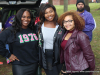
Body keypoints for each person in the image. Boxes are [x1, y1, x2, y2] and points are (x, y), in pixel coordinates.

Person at [0, 8, 39, 75]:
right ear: (18, 17)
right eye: (23, 17)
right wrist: (8, 55)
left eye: (28, 17)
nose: (26, 19)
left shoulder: (33, 29)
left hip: (33, 63)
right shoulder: (11, 31)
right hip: (19, 65)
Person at [58, 10, 95, 75]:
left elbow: (89, 55)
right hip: (69, 68)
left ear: (75, 21)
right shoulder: (66, 33)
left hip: (80, 70)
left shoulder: (81, 35)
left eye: (70, 21)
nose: (67, 23)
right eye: (65, 21)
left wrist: (90, 71)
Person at [37, 4, 64, 75]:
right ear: (43, 15)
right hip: (47, 55)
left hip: (59, 55)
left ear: (54, 11)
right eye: (46, 13)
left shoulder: (61, 25)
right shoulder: (39, 26)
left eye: (51, 11)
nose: (49, 14)